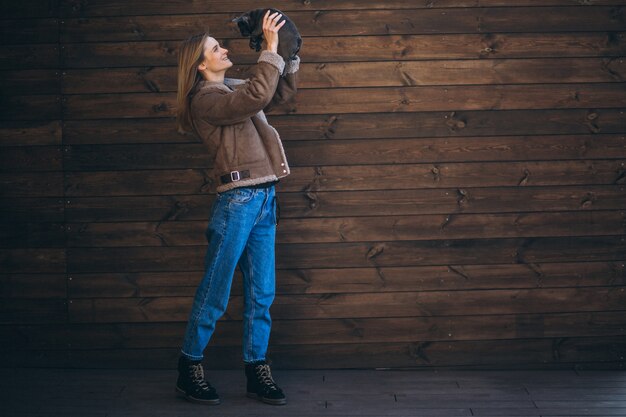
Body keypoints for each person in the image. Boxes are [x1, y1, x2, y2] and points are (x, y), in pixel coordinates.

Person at [174, 10, 299, 406]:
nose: (224, 49)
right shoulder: (205, 99)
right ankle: (189, 367)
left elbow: (276, 91)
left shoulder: (231, 87)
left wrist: (288, 52)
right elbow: (258, 94)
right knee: (215, 292)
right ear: (200, 64)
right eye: (216, 48)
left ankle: (256, 370)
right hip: (237, 203)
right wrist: (271, 51)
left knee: (263, 293)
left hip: (264, 199)